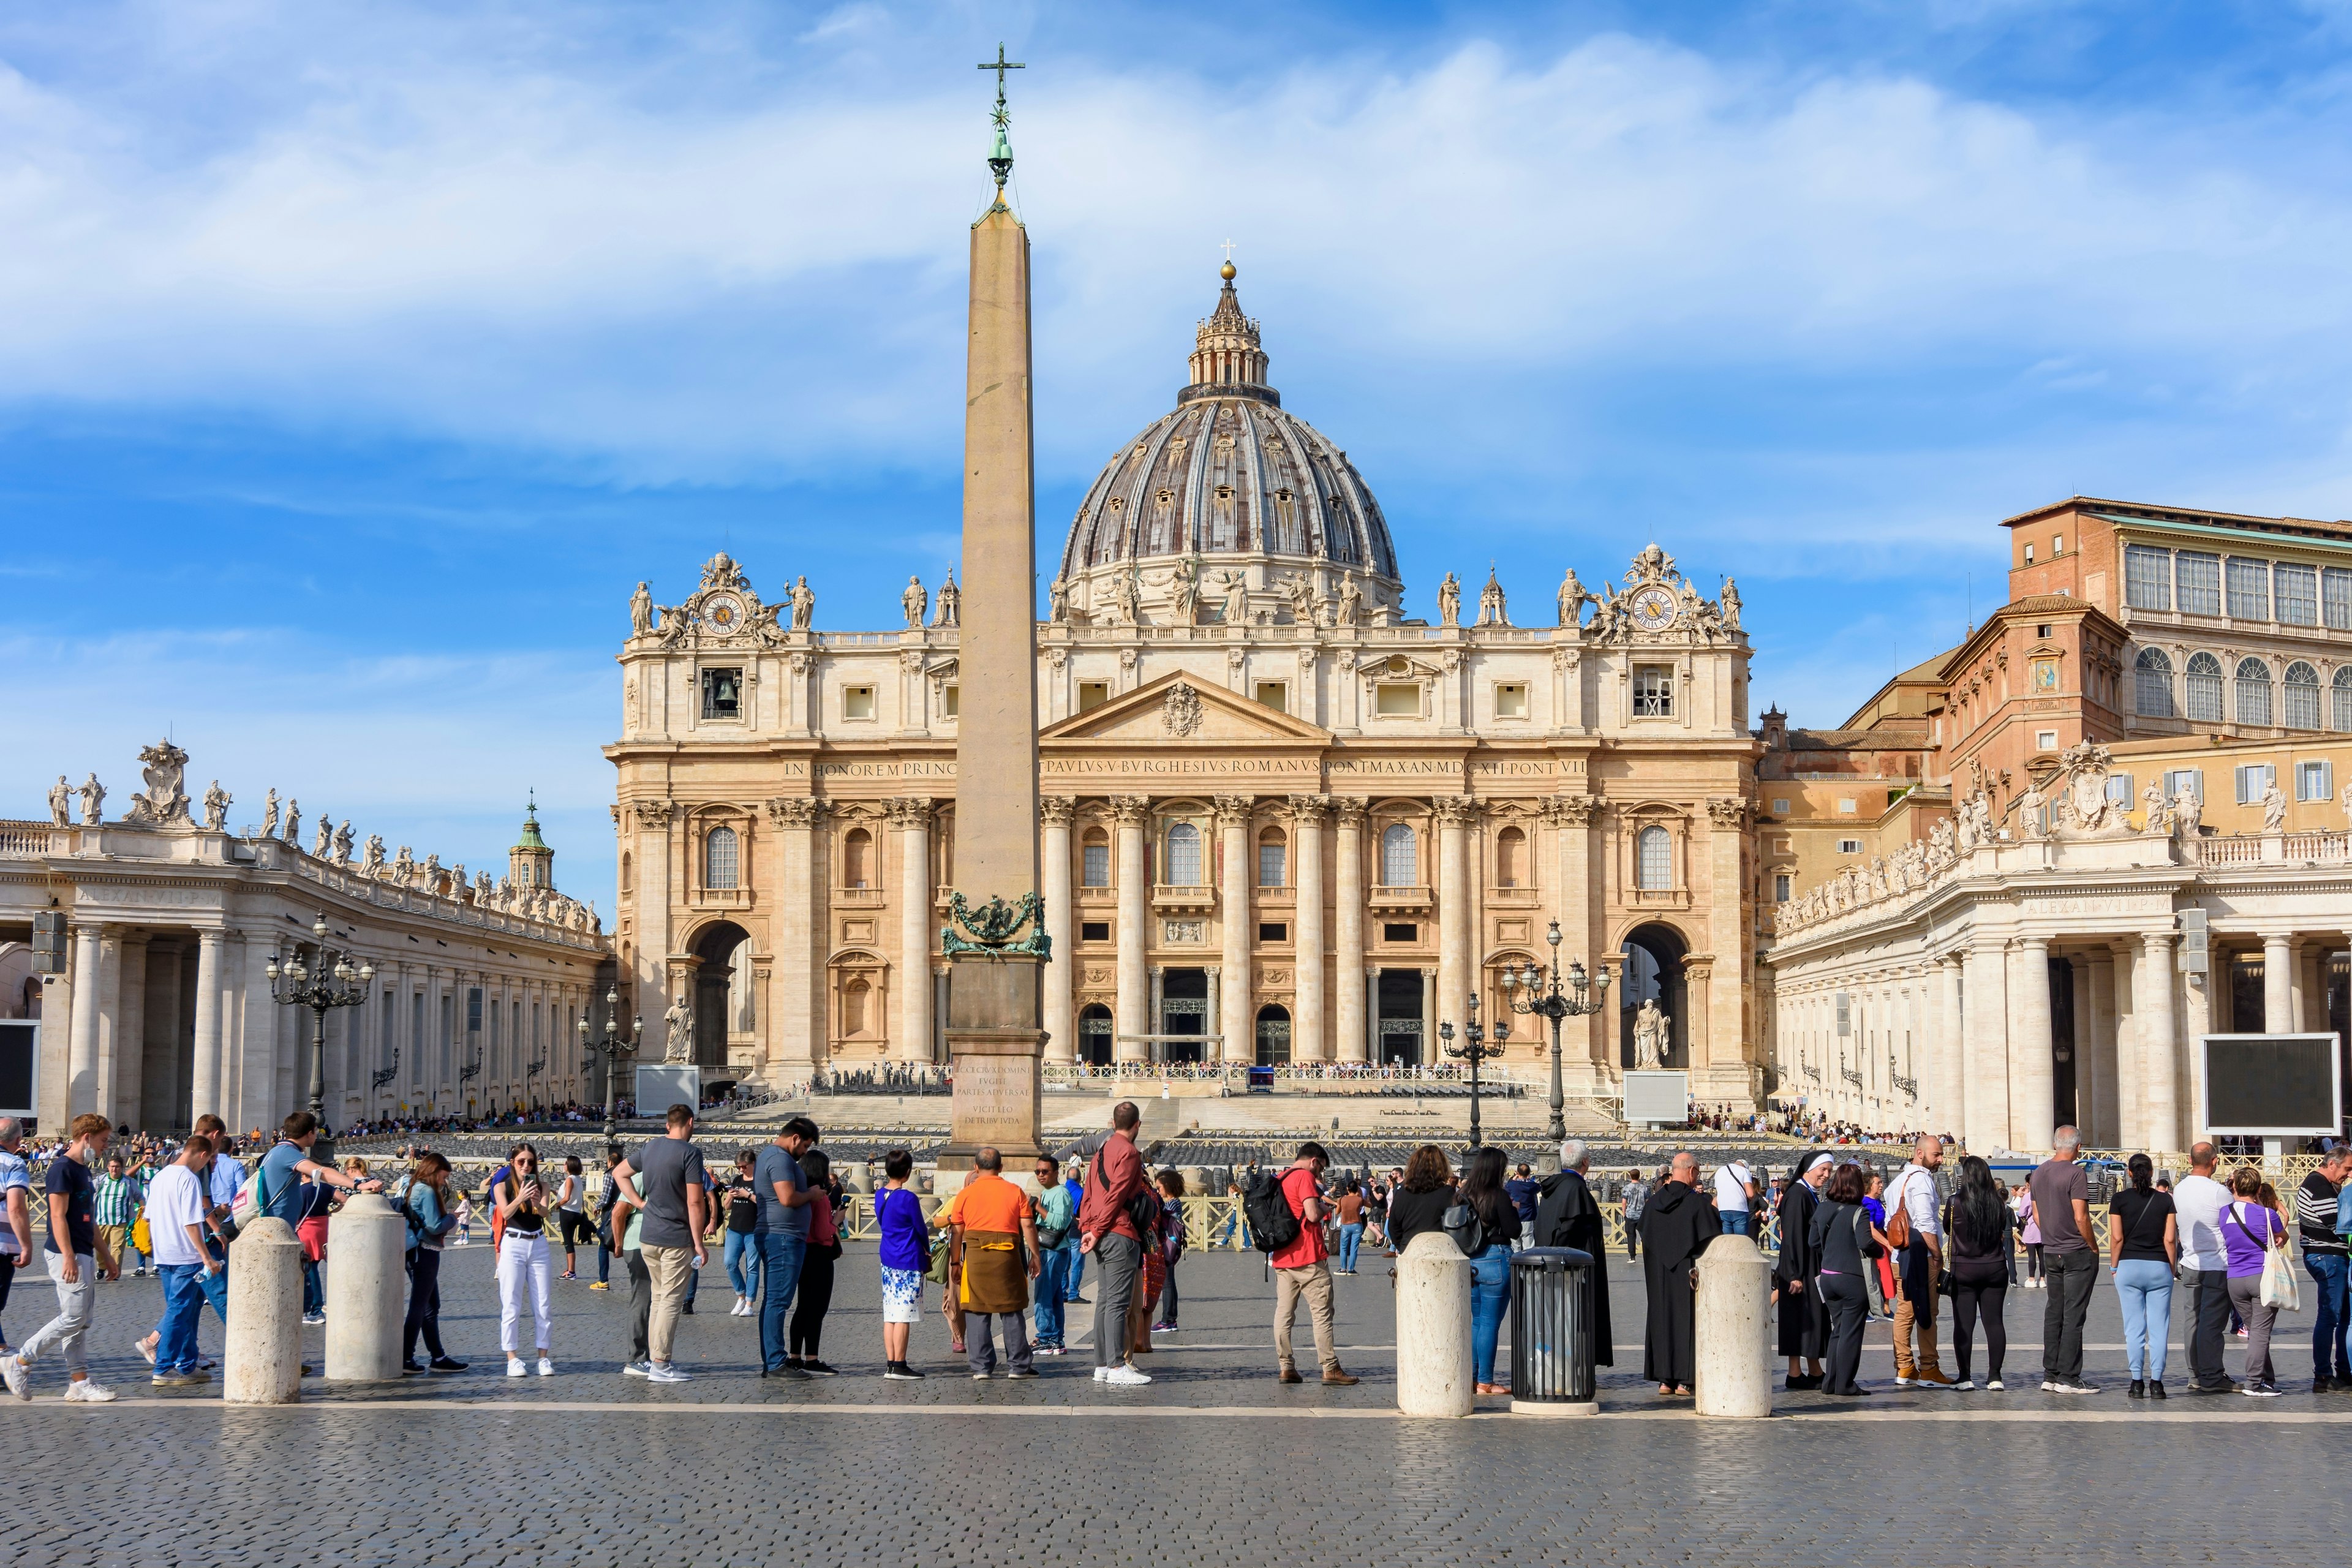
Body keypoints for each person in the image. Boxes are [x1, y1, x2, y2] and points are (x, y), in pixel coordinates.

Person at [4, 1113, 114, 1401]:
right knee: (74, 1316)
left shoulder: (84, 1170)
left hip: (83, 1250)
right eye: (103, 1141)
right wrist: (68, 1256)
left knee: (81, 1320)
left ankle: (79, 1382)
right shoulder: (62, 1168)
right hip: (66, 1251)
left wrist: (108, 1256)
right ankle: (20, 1361)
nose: (106, 1147)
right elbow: (56, 1215)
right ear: (87, 1137)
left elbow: (88, 1220)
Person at [606, 1104, 709, 1384]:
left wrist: (639, 1203)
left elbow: (619, 1173)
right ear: (689, 1123)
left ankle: (653, 1361)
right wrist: (699, 1243)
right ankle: (661, 1365)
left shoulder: (650, 1149)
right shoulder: (690, 1153)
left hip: (648, 1237)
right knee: (671, 1302)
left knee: (659, 1300)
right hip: (676, 1237)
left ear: (667, 1124)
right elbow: (694, 1201)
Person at [1075, 1101, 1151, 1387]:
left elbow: (1088, 1192)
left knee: (1105, 1302)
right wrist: (1096, 1229)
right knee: (1118, 1304)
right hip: (1118, 1232)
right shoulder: (1129, 1153)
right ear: (1137, 1125)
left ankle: (1102, 1366)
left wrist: (1087, 1227)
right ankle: (1118, 1365)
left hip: (1100, 1233)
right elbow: (1116, 1196)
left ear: (1112, 1122)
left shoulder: (1100, 1152)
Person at [1269, 1141, 1357, 1386]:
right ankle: (1330, 1368)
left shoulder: (1280, 1177)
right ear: (1314, 1161)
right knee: (1322, 1314)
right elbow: (1312, 1214)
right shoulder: (1304, 1177)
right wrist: (1323, 1207)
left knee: (1284, 1314)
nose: (1319, 1174)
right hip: (1308, 1256)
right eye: (1320, 1169)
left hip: (1282, 1257)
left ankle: (1286, 1366)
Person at [952, 1148, 1039, 1379]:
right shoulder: (1015, 1192)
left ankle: (982, 1367)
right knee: (1011, 1309)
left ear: (976, 1168)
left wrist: (954, 1263)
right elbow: (1028, 1226)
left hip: (977, 1258)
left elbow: (956, 1232)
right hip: (1008, 1258)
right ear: (1001, 1168)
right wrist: (1035, 1256)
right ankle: (1019, 1366)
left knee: (976, 1310)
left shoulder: (965, 1195)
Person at [1638, 1152, 1720, 1396]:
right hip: (1689, 1275)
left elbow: (1643, 1233)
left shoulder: (1652, 1204)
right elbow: (1713, 1239)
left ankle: (1665, 1380)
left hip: (1659, 1275)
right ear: (1693, 1172)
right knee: (1688, 1322)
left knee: (1661, 1319)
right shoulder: (1698, 1205)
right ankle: (1686, 1381)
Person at [1529, 1140, 1613, 1373]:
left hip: (1552, 1268)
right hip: (1573, 1271)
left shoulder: (1552, 1188)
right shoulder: (1576, 1188)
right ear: (1585, 1162)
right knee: (1573, 1320)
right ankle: (1570, 1366)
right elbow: (1570, 1228)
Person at [2028, 1125, 2098, 1394]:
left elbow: (2036, 1216)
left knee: (2054, 1311)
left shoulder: (2038, 1174)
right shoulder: (2076, 1173)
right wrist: (2092, 1246)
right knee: (2074, 1314)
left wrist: (2052, 1234)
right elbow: (2081, 1216)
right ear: (2078, 1147)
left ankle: (2050, 1374)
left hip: (2050, 1250)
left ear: (2055, 1144)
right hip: (2075, 1251)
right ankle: (2069, 1377)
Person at [146, 1134, 219, 1387]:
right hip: (186, 1254)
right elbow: (192, 1222)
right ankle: (164, 1367)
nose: (206, 1166)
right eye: (208, 1161)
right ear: (202, 1155)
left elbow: (149, 1218)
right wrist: (206, 1257)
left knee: (184, 1310)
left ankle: (187, 1364)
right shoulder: (189, 1179)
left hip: (164, 1252)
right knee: (179, 1311)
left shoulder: (159, 1176)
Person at [1885, 1134, 1955, 1389]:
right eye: (1936, 1154)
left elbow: (1888, 1223)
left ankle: (1904, 1366)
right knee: (1927, 1311)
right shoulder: (1923, 1181)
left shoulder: (1896, 1183)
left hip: (1899, 1256)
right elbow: (1926, 1223)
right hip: (1921, 1257)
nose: (1941, 1159)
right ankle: (1929, 1368)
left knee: (1904, 1311)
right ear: (1919, 1154)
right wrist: (1937, 1255)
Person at [2109, 1152, 2179, 1398]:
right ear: (2151, 1174)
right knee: (2160, 1329)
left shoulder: (2119, 1200)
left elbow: (2117, 1238)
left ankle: (2136, 1382)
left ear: (2129, 1173)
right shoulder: (2165, 1201)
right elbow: (2170, 1239)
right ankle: (2157, 1383)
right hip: (2159, 1266)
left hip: (2128, 1266)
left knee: (2134, 1328)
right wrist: (2171, 1268)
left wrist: (2114, 1267)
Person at [753, 1115, 818, 1378]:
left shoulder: (770, 1156)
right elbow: (787, 1198)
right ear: (794, 1138)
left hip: (779, 1236)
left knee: (772, 1301)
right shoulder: (780, 1159)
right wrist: (812, 1195)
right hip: (782, 1237)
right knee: (778, 1302)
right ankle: (776, 1361)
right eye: (805, 1147)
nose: (804, 1153)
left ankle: (772, 1360)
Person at [1809, 1162, 1881, 1396]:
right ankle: (1846, 1384)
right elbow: (1865, 1243)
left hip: (1828, 1277)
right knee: (1851, 1333)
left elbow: (1813, 1243)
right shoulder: (1860, 1212)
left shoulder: (1822, 1209)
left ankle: (1831, 1382)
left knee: (1838, 1331)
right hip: (1851, 1279)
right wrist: (1880, 1251)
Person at [1943, 1154, 2014, 1392]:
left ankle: (1965, 1377)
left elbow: (1947, 1227)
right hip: (1995, 1267)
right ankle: (1995, 1376)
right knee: (1994, 1323)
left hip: (1964, 1268)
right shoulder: (1998, 1203)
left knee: (1964, 1324)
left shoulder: (1955, 1202)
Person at [2173, 1142, 2236, 1395]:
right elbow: (2234, 1225)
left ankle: (2195, 1374)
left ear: (2190, 1161)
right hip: (2216, 1265)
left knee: (2193, 1321)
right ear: (2215, 1161)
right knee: (2212, 1324)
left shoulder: (2179, 1189)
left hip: (2189, 1262)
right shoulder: (2219, 1192)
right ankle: (2212, 1376)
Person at [1457, 1147, 1521, 1396]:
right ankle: (1485, 1381)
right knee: (1490, 1325)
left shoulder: (1463, 1195)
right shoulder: (1498, 1196)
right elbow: (1514, 1230)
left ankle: (1472, 1378)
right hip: (1495, 1259)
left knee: (1477, 1323)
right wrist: (1513, 1208)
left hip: (1470, 1261)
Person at [2222, 1164, 2288, 1396]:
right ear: (2259, 1189)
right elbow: (2283, 1236)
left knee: (2257, 1332)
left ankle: (2266, 1378)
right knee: (2260, 1333)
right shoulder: (2267, 1214)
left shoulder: (2224, 1212)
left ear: (2235, 1187)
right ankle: (2253, 1383)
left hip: (2235, 1279)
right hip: (2261, 1277)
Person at [399, 1153, 466, 1373]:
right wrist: (453, 1217)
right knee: (421, 1307)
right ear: (434, 1171)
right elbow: (435, 1225)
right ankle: (406, 1356)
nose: (444, 1181)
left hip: (416, 1251)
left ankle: (437, 1356)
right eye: (443, 1176)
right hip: (425, 1251)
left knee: (430, 1306)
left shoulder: (414, 1186)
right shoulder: (427, 1191)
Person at [494, 1144, 556, 1377]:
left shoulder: (543, 1185)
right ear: (512, 1162)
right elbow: (506, 1213)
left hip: (538, 1243)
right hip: (513, 1243)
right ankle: (512, 1358)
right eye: (521, 1161)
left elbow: (545, 1214)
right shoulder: (501, 1186)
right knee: (511, 1303)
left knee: (543, 1304)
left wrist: (538, 1203)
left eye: (531, 1162)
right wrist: (520, 1196)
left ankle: (543, 1358)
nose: (526, 1166)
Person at [1773, 1150, 1834, 1390]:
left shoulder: (1804, 1193)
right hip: (1800, 1268)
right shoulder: (1799, 1195)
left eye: (1829, 1171)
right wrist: (1795, 1274)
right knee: (1802, 1319)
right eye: (1823, 1170)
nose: (1827, 1175)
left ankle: (1811, 1370)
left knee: (1807, 1319)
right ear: (1810, 1169)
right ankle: (1796, 1373)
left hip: (1806, 1265)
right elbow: (1794, 1237)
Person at [2296, 1141, 2351, 1392]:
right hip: (2327, 1256)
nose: (2348, 1174)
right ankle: (2324, 1375)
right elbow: (2336, 1225)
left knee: (2341, 1317)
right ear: (2332, 1164)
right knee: (2331, 1316)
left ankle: (2341, 1369)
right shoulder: (2319, 1186)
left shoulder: (2321, 1184)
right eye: (2347, 1169)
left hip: (2324, 1255)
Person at [785, 1149, 840, 1375]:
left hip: (803, 1253)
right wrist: (836, 1221)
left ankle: (795, 1355)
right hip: (820, 1255)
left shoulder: (802, 1193)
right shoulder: (820, 1198)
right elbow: (821, 1231)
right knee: (817, 1309)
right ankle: (812, 1358)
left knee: (803, 1307)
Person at [875, 1148, 928, 1379]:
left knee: (891, 1314)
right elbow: (921, 1228)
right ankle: (900, 1364)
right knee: (904, 1314)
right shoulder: (908, 1198)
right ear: (907, 1173)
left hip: (888, 1256)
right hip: (907, 1257)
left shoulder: (879, 1195)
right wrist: (927, 1249)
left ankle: (890, 1362)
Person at [1031, 1155, 1075, 1354]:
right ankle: (1057, 1339)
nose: (1041, 1175)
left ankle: (1045, 1338)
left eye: (1045, 1171)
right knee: (1055, 1297)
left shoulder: (1061, 1193)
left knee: (1042, 1296)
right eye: (1038, 1171)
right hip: (1050, 1250)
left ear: (1056, 1173)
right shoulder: (1048, 1192)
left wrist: (1038, 1208)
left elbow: (1058, 1223)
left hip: (1053, 1252)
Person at [1385, 1145, 1455, 1256]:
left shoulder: (1402, 1192)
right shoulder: (1447, 1192)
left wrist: (1403, 1247)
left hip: (1409, 1250)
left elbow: (1393, 1226)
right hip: (1439, 1251)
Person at [0, 1120, 31, 1354]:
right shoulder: (13, 1163)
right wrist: (26, 1245)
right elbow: (16, 1208)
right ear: (18, 1141)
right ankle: (3, 1356)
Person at [723, 1148, 763, 1317]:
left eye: (744, 1167)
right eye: (738, 1167)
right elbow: (726, 1206)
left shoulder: (761, 1181)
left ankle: (749, 1303)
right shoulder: (737, 1179)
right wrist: (731, 1196)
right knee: (729, 1263)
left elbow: (765, 1202)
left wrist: (748, 1195)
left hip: (754, 1230)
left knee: (752, 1267)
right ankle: (741, 1295)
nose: (741, 1170)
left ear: (753, 1163)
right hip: (734, 1229)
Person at [92, 1155, 143, 1282]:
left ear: (122, 1168)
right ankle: (102, 1267)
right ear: (108, 1167)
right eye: (112, 1167)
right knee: (100, 1247)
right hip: (101, 1220)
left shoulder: (129, 1182)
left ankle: (114, 1272)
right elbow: (88, 1192)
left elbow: (139, 1196)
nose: (114, 1169)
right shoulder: (100, 1180)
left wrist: (144, 1210)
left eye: (117, 1167)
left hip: (121, 1221)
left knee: (117, 1248)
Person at [1151, 1168, 1186, 1333]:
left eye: (1159, 1188)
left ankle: (1167, 1320)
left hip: (1167, 1246)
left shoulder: (1172, 1204)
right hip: (1171, 1246)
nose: (1158, 1191)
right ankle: (1171, 1319)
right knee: (1170, 1283)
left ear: (1168, 1186)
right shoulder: (1174, 1202)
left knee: (1167, 1285)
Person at [556, 1155, 590, 1281]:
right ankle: (570, 1269)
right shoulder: (578, 1179)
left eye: (565, 1163)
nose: (564, 1165)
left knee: (568, 1242)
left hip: (567, 1213)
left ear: (570, 1165)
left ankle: (571, 1271)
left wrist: (557, 1204)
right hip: (576, 1213)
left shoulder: (570, 1179)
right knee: (569, 1242)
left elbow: (567, 1198)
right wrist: (557, 1193)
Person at [1711, 1155, 1756, 1236]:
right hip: (1740, 1209)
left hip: (1723, 1209)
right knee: (1741, 1241)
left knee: (1727, 1241)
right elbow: (1751, 1194)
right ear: (1745, 1167)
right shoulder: (1744, 1171)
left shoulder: (1720, 1171)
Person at [1504, 1163, 1540, 1253]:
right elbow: (1538, 1187)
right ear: (1529, 1173)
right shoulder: (1531, 1186)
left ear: (1517, 1172)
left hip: (1515, 1217)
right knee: (1529, 1246)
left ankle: (1516, 1264)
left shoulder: (1511, 1185)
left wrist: (1513, 1181)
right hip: (1528, 1218)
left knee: (1515, 1245)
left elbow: (1506, 1191)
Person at [1333, 1178, 1366, 1275]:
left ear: (1348, 1188)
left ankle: (1343, 1269)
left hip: (1346, 1225)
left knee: (1343, 1248)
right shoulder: (1359, 1199)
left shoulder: (1343, 1199)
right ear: (1357, 1189)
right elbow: (1369, 1204)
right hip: (1357, 1224)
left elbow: (1337, 1212)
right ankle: (1352, 1269)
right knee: (1354, 1248)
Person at [2015, 1183, 2043, 1289]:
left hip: (2031, 1227)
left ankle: (2032, 1279)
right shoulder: (2044, 1194)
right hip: (2043, 1227)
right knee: (2042, 1257)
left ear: (2028, 1184)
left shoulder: (2028, 1196)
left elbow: (2022, 1213)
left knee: (2032, 1256)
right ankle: (2042, 1279)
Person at [1621, 1169, 1646, 1261]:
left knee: (1631, 1236)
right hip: (1641, 1215)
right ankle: (1646, 1255)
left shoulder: (1627, 1188)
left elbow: (1624, 1202)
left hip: (1630, 1215)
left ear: (1630, 1176)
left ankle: (1632, 1257)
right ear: (1639, 1176)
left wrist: (1624, 1214)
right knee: (1644, 1236)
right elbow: (1647, 1202)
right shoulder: (1644, 1188)